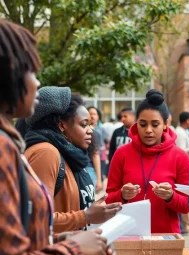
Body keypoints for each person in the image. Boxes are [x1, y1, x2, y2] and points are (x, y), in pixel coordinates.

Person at [0, 18, 114, 255]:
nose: (37, 84)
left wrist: (70, 243)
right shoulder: (17, 150)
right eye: (31, 72)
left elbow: (23, 237)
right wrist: (73, 250)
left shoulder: (10, 142)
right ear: (9, 75)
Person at [25, 87, 122, 233]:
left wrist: (93, 211)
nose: (90, 130)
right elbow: (37, 217)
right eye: (84, 124)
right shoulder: (46, 153)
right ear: (62, 125)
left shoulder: (70, 154)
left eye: (90, 124)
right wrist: (86, 216)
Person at [106, 89, 189, 233]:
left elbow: (187, 206)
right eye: (143, 124)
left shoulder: (180, 157)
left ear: (165, 124)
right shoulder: (122, 154)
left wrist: (170, 196)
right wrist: (122, 195)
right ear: (136, 123)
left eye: (155, 124)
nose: (148, 130)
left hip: (166, 238)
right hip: (128, 235)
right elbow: (108, 199)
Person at [88, 106, 109, 179]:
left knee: (100, 176)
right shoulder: (86, 129)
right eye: (90, 113)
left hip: (101, 156)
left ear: (98, 116)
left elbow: (106, 140)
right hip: (90, 157)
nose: (92, 116)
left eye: (94, 114)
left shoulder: (101, 128)